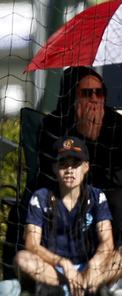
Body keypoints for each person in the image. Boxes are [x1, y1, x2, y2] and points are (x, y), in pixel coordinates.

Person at [15, 136, 116, 295]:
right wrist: (63, 264)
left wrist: (92, 267)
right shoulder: (41, 197)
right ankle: (67, 288)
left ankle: (87, 285)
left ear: (86, 167)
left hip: (90, 270)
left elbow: (107, 243)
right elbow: (31, 244)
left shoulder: (97, 197)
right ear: (55, 168)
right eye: (63, 163)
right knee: (22, 258)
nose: (69, 169)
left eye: (75, 163)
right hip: (55, 271)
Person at [37, 67, 122, 244]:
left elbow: (114, 173)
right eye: (86, 93)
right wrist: (83, 138)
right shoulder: (53, 125)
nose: (94, 99)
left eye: (99, 93)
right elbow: (54, 171)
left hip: (108, 194)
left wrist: (95, 140)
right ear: (72, 97)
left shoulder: (115, 123)